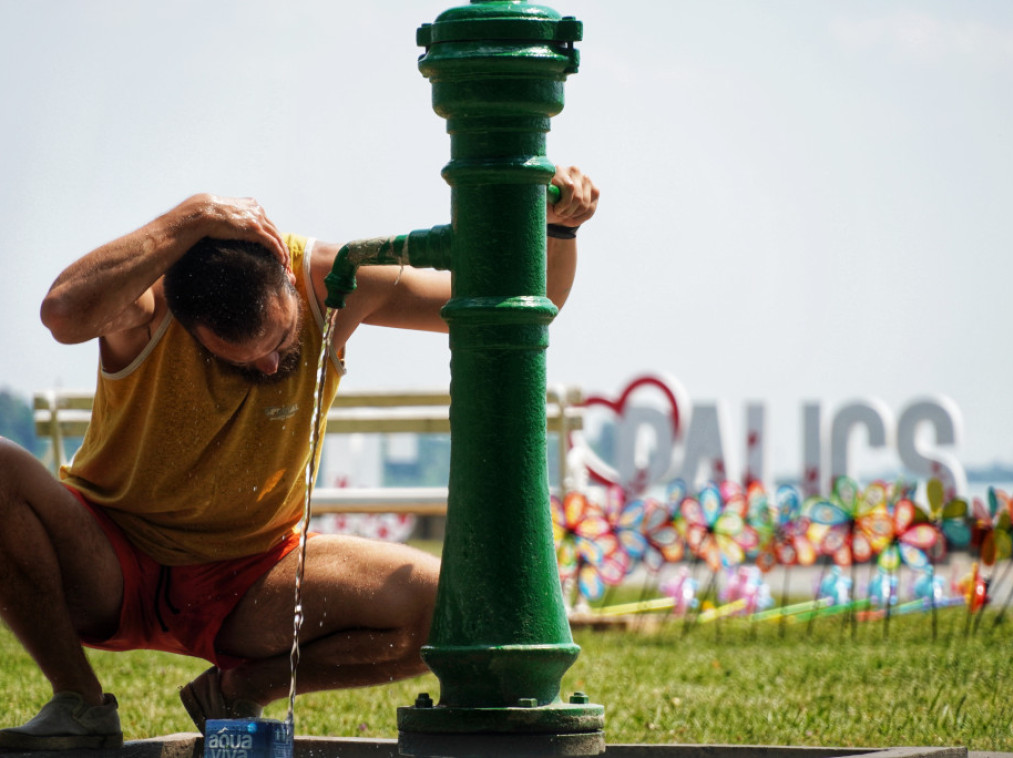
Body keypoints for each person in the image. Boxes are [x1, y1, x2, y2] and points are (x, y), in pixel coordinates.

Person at [0, 166, 599, 750]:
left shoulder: (336, 280)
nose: (266, 366)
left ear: (290, 279)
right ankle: (77, 701)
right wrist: (191, 216)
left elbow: (530, 297)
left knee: (453, 611)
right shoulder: (147, 306)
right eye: (238, 358)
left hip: (253, 579)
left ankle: (239, 690)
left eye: (280, 343)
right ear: (184, 318)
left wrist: (560, 228)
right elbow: (62, 312)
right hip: (108, 561)